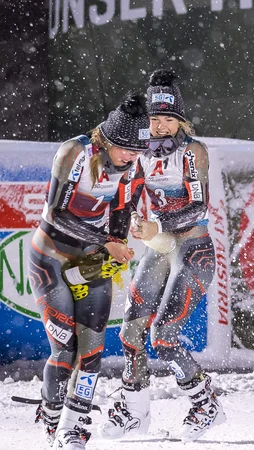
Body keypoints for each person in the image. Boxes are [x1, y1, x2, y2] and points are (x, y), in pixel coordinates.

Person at [99, 69, 223, 442]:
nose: (162, 126)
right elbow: (128, 198)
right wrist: (125, 228)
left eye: (169, 118)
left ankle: (205, 403)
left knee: (165, 335)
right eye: (155, 119)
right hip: (158, 250)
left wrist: (157, 226)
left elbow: (199, 207)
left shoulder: (192, 152)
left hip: (193, 250)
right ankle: (135, 410)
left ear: (181, 121)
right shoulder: (138, 155)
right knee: (130, 331)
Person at [30, 94, 148, 449]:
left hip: (91, 261)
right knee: (64, 352)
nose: (130, 156)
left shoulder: (134, 168)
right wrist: (106, 240)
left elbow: (121, 217)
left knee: (92, 350)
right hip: (52, 256)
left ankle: (73, 426)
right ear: (107, 140)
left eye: (137, 150)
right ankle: (51, 412)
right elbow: (56, 213)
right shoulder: (75, 152)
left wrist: (121, 241)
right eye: (125, 148)